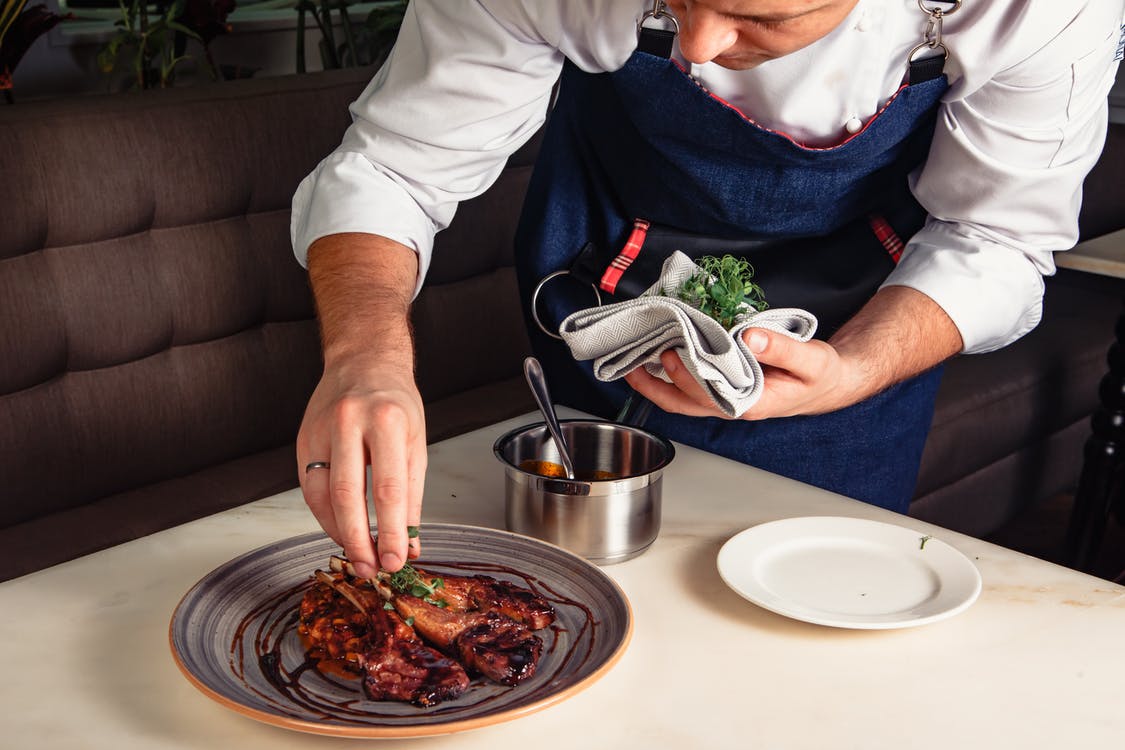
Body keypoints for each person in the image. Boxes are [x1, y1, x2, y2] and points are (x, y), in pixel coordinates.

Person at [290, 0, 1125, 577]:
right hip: (600, 308)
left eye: (759, 17)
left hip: (855, 348)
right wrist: (365, 356)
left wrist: (855, 369)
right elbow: (396, 167)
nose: (695, 44)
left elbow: (995, 237)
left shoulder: (1041, 10)